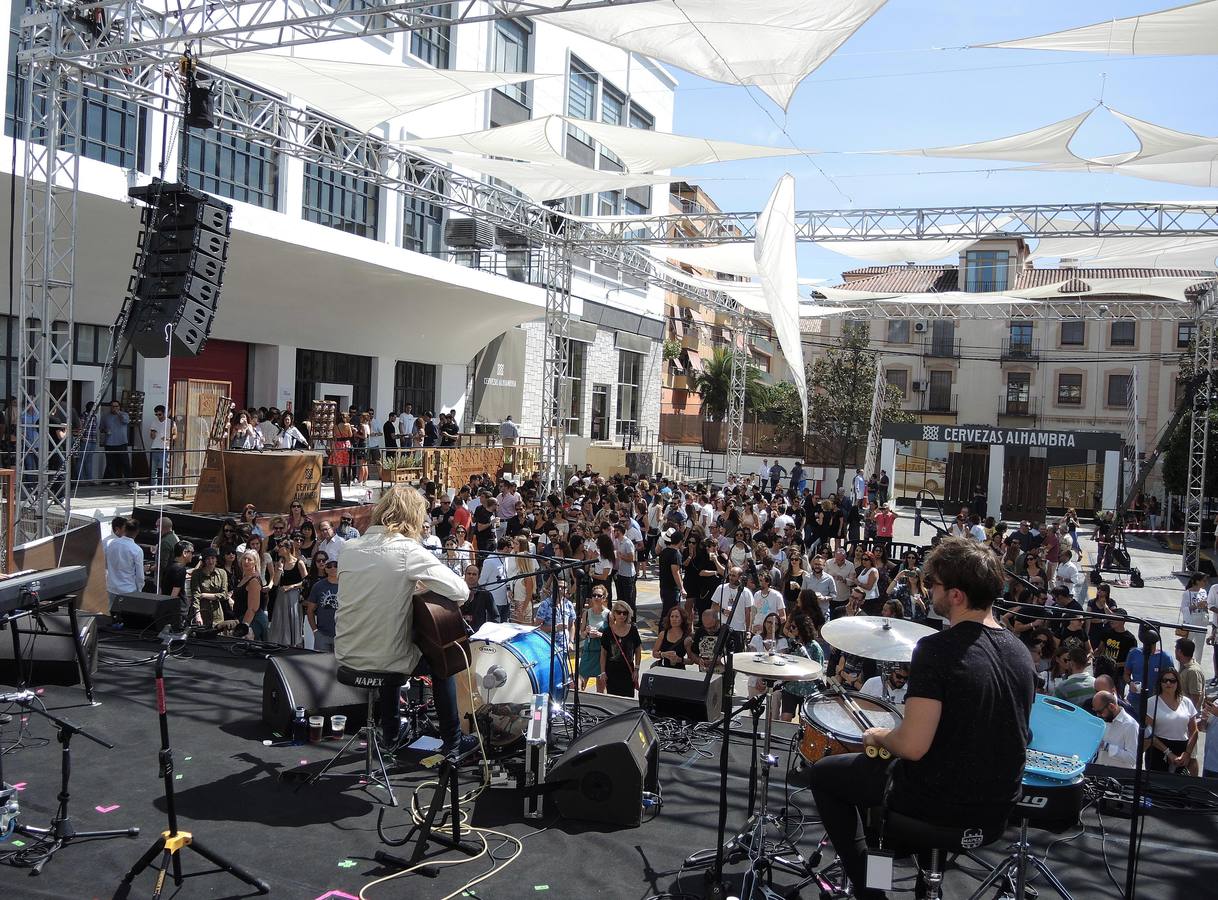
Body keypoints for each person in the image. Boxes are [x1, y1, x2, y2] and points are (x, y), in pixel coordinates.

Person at [807, 537, 1035, 900]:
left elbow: (912, 746)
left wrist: (881, 736)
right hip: (997, 806)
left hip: (938, 802)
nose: (929, 592)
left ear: (957, 595)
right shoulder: (1020, 653)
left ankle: (870, 889)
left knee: (825, 775)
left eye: (934, 585)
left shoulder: (937, 650)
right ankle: (927, 879)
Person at [334, 485, 475, 758]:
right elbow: (461, 591)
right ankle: (453, 742)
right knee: (442, 657)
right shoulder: (407, 549)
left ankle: (391, 734)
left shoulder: (349, 548)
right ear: (412, 517)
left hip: (347, 655)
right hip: (386, 661)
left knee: (390, 642)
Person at [1143, 666, 1198, 775]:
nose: (1168, 683)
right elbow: (1149, 733)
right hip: (1158, 750)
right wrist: (1168, 753)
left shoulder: (1186, 702)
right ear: (1160, 683)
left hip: (1182, 750)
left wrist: (1187, 753)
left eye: (1172, 681)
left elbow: (1194, 731)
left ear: (1178, 683)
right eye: (1165, 680)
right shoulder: (1151, 702)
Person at [599, 601, 642, 697]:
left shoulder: (633, 630)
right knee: (613, 700)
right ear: (614, 613)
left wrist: (637, 669)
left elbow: (638, 650)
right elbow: (603, 653)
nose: (621, 615)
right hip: (612, 672)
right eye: (619, 612)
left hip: (628, 671)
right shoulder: (607, 632)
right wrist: (602, 672)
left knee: (627, 699)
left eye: (625, 613)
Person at [104, 516, 144, 615]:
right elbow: (140, 575)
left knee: (111, 615)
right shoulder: (136, 549)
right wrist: (139, 589)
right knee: (127, 616)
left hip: (112, 586)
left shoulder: (110, 543)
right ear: (137, 532)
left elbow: (105, 564)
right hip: (128, 589)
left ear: (124, 529)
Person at [1092, 690, 1139, 769]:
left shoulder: (1130, 725)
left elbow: (1132, 758)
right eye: (1095, 711)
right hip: (1099, 771)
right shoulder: (1103, 720)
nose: (1098, 715)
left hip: (1119, 776)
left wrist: (1107, 747)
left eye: (1100, 712)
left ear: (1111, 707)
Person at [710, 566, 753, 648]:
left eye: (734, 576)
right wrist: (722, 610)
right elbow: (713, 606)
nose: (730, 578)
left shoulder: (746, 592)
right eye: (730, 575)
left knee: (738, 654)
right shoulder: (721, 588)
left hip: (739, 628)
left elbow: (748, 612)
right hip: (723, 627)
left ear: (740, 577)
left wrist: (748, 630)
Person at [235, 549, 271, 641]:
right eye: (244, 559)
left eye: (249, 559)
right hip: (242, 618)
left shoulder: (254, 581)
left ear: (255, 562)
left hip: (253, 621)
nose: (246, 561)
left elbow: (253, 608)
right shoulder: (245, 577)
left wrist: (244, 627)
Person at [191, 547, 231, 629]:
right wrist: (197, 614)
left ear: (216, 559)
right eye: (208, 559)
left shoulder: (222, 573)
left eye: (213, 558)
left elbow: (224, 595)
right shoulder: (196, 574)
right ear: (204, 560)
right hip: (202, 612)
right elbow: (195, 595)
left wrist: (205, 595)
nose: (211, 561)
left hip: (217, 615)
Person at [305, 558, 340, 651]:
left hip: (342, 635)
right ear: (325, 569)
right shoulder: (318, 586)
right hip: (322, 634)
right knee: (321, 664)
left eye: (336, 565)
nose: (333, 568)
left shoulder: (347, 585)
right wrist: (315, 631)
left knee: (340, 665)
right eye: (329, 566)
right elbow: (310, 610)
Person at [579, 587, 610, 691]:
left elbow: (612, 636)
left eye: (599, 596)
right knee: (580, 685)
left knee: (600, 688)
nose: (596, 597)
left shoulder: (608, 614)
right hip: (588, 652)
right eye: (594, 595)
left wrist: (599, 634)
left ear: (604, 598)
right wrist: (586, 632)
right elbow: (581, 634)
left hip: (601, 653)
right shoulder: (587, 613)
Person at [145, 405, 177, 490]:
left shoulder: (171, 422)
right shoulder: (154, 422)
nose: (158, 416)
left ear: (164, 413)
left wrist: (169, 439)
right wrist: (153, 433)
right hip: (155, 447)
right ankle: (153, 488)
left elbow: (175, 434)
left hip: (165, 448)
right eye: (156, 414)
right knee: (153, 470)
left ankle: (165, 488)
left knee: (165, 470)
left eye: (160, 414)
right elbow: (151, 436)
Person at [99, 399, 132, 484]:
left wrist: (118, 413)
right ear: (110, 407)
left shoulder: (124, 414)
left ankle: (129, 480)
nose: (114, 408)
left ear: (119, 407)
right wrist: (105, 430)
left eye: (116, 406)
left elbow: (126, 421)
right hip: (109, 442)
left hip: (121, 442)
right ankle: (113, 480)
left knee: (124, 462)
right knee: (111, 463)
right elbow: (101, 428)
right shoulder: (105, 416)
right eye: (113, 406)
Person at [1174, 637, 1205, 714]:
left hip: (1187, 714)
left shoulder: (1193, 671)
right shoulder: (1184, 666)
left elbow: (1195, 697)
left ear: (1179, 651)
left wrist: (1188, 716)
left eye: (1175, 648)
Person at [653, 605, 690, 669]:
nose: (674, 619)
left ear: (682, 619)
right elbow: (654, 653)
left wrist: (679, 659)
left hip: (679, 671)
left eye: (677, 617)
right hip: (663, 669)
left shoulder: (686, 638)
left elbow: (691, 661)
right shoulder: (663, 634)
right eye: (672, 616)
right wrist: (663, 654)